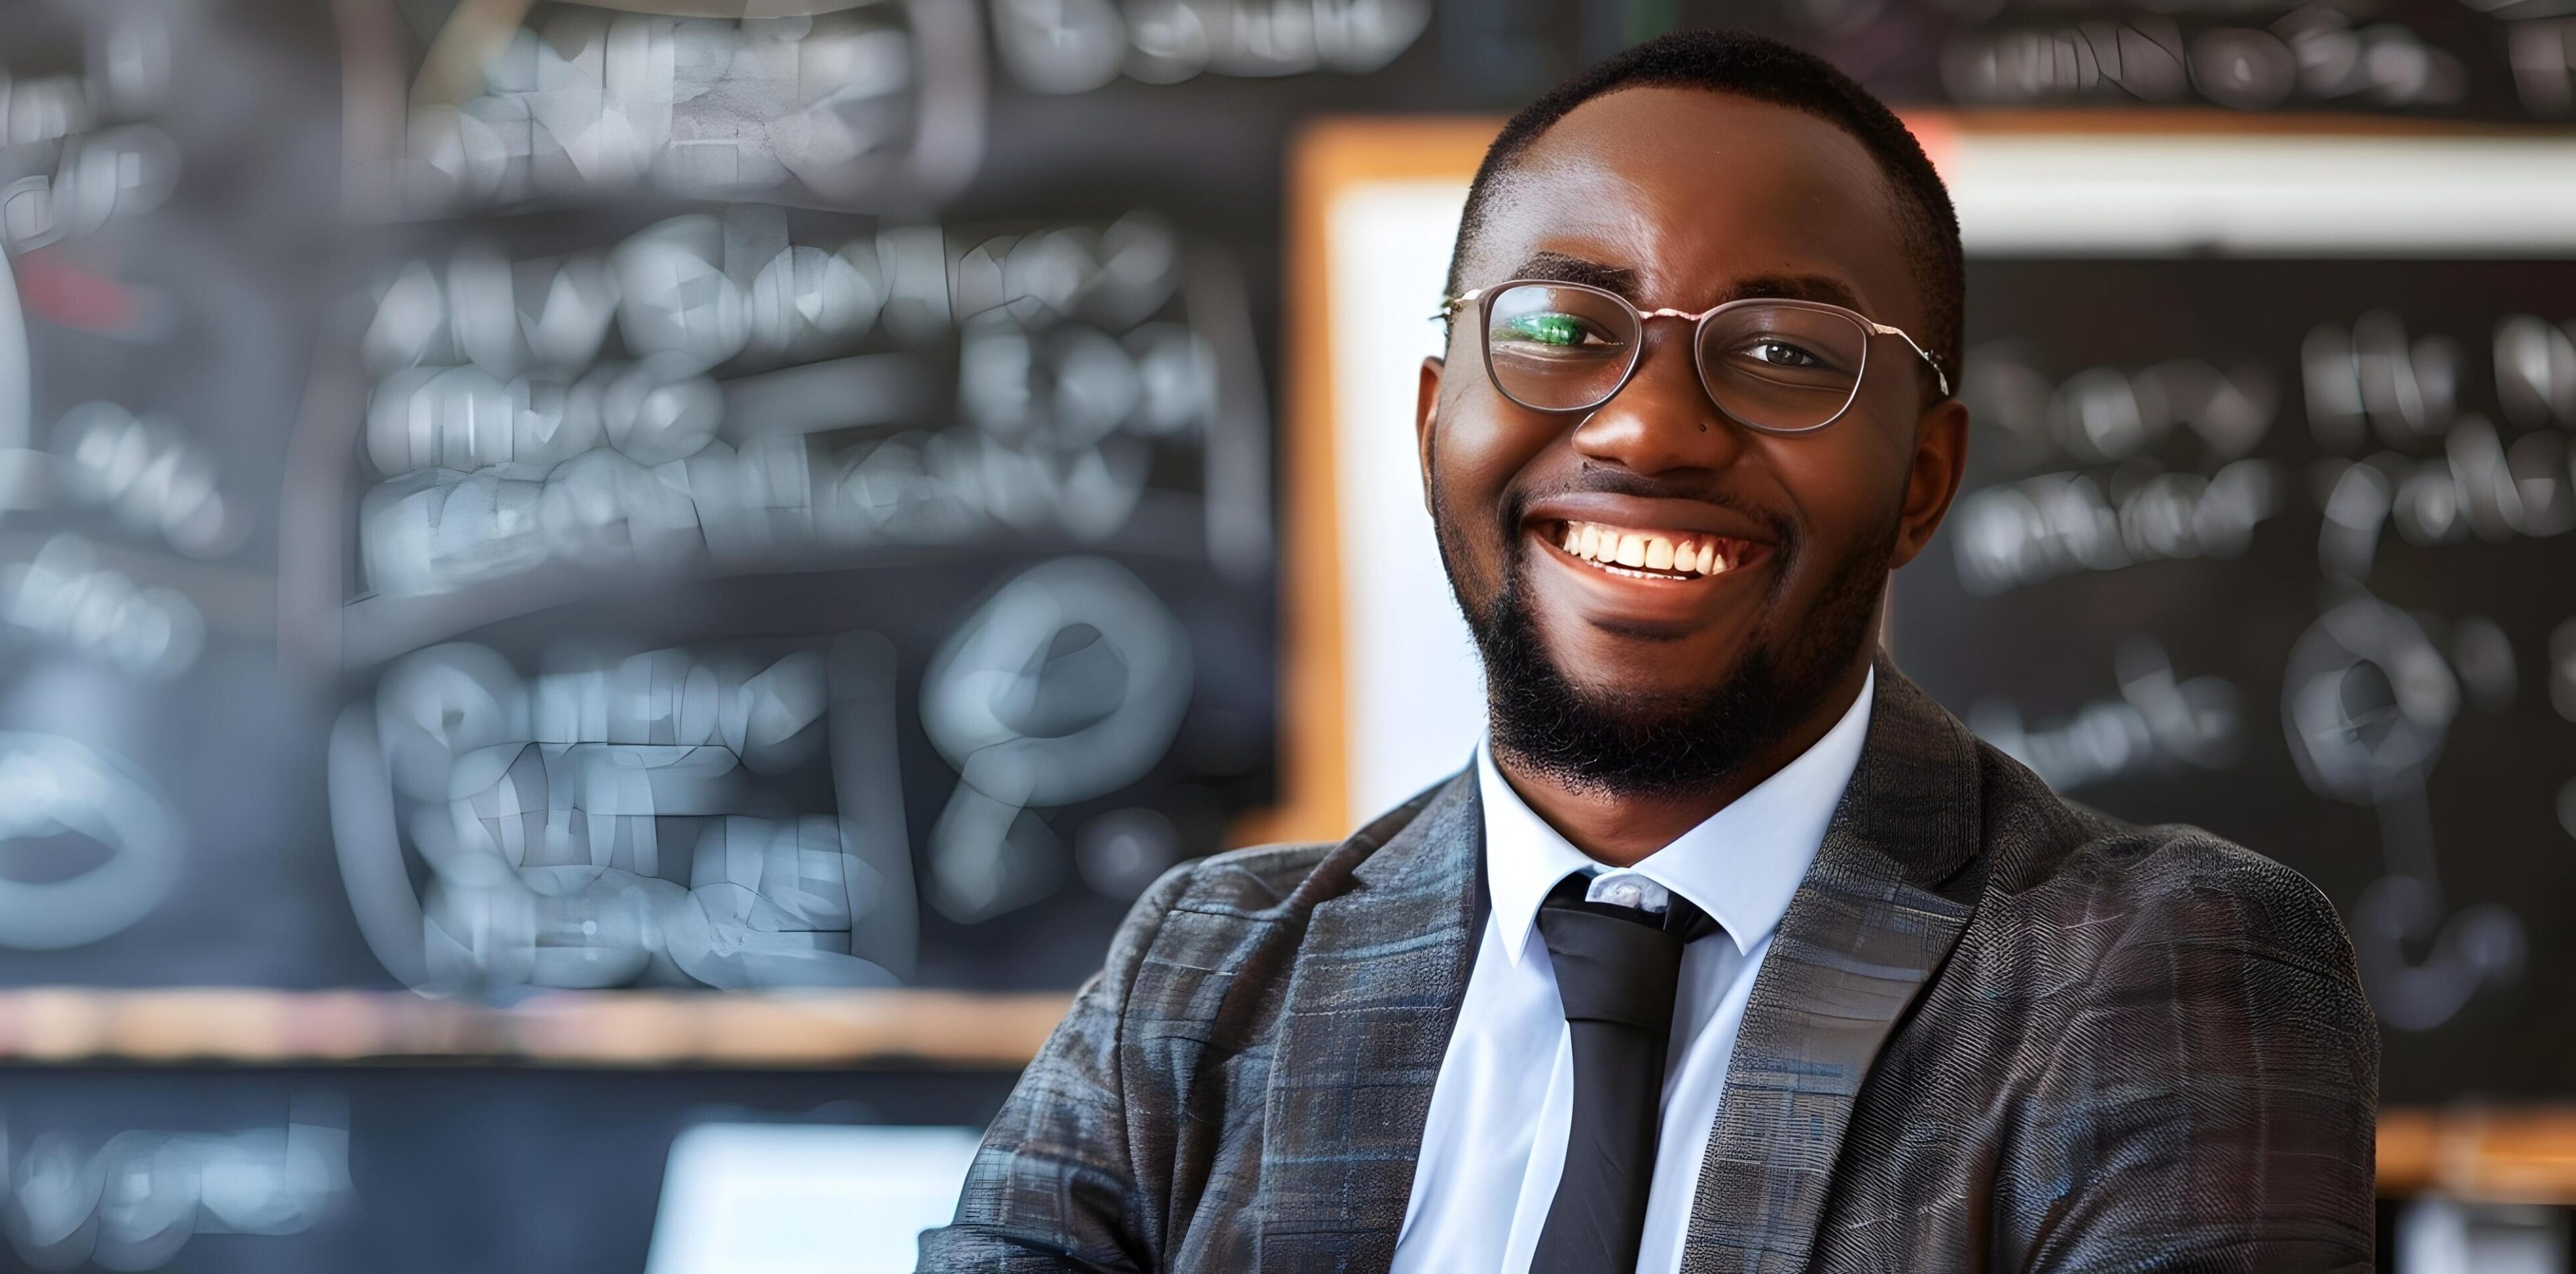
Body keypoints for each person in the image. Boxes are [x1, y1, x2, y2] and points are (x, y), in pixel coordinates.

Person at [921, 29, 2376, 1274]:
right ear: (1435, 416)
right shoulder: (1206, 964)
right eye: (1562, 324)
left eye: (1789, 351)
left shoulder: (2149, 963)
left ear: (1922, 479)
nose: (1646, 427)